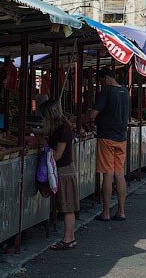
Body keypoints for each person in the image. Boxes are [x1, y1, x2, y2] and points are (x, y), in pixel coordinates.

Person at [87, 67, 129, 221]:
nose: (101, 84)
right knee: (119, 173)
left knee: (107, 173)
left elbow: (93, 115)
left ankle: (105, 213)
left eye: (101, 81)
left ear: (105, 78)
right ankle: (121, 211)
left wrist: (88, 117)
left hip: (106, 137)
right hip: (121, 138)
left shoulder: (106, 91)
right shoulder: (125, 92)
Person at [40, 100, 79, 250]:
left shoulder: (63, 129)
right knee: (66, 206)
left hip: (64, 171)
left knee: (67, 206)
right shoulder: (60, 128)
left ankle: (67, 239)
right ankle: (71, 238)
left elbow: (57, 155)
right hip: (62, 170)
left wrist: (45, 145)